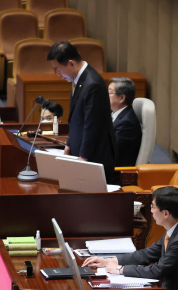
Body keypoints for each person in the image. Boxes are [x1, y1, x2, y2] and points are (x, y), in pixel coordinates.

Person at [47, 41, 118, 184]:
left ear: (71, 63)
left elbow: (91, 126)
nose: (58, 74)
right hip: (81, 152)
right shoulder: (79, 79)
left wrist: (82, 159)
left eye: (59, 69)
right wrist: (69, 145)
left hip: (94, 156)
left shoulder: (93, 84)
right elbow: (76, 119)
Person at [108, 77, 142, 167]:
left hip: (116, 174)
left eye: (109, 92)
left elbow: (111, 151)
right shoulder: (116, 113)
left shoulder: (127, 123)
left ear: (121, 98)